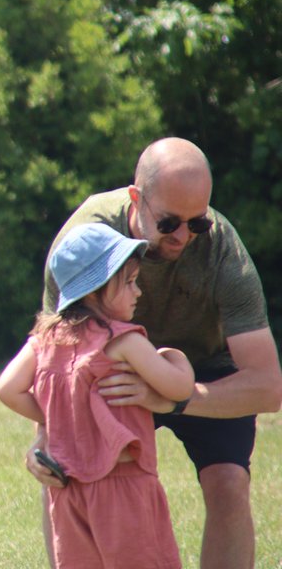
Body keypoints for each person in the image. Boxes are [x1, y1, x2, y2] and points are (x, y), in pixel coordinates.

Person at [27, 137, 282, 569]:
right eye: (168, 223)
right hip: (110, 371)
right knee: (68, 480)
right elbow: (56, 349)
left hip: (203, 369)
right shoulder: (85, 239)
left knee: (229, 483)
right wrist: (46, 440)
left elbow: (268, 385)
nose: (184, 236)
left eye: (196, 222)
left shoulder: (221, 247)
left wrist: (174, 396)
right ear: (135, 200)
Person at [0, 222, 195, 568]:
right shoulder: (125, 341)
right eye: (129, 282)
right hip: (125, 488)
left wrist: (58, 414)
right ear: (93, 291)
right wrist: (176, 357)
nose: (138, 292)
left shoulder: (44, 341)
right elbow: (180, 388)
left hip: (68, 492)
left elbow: (7, 389)